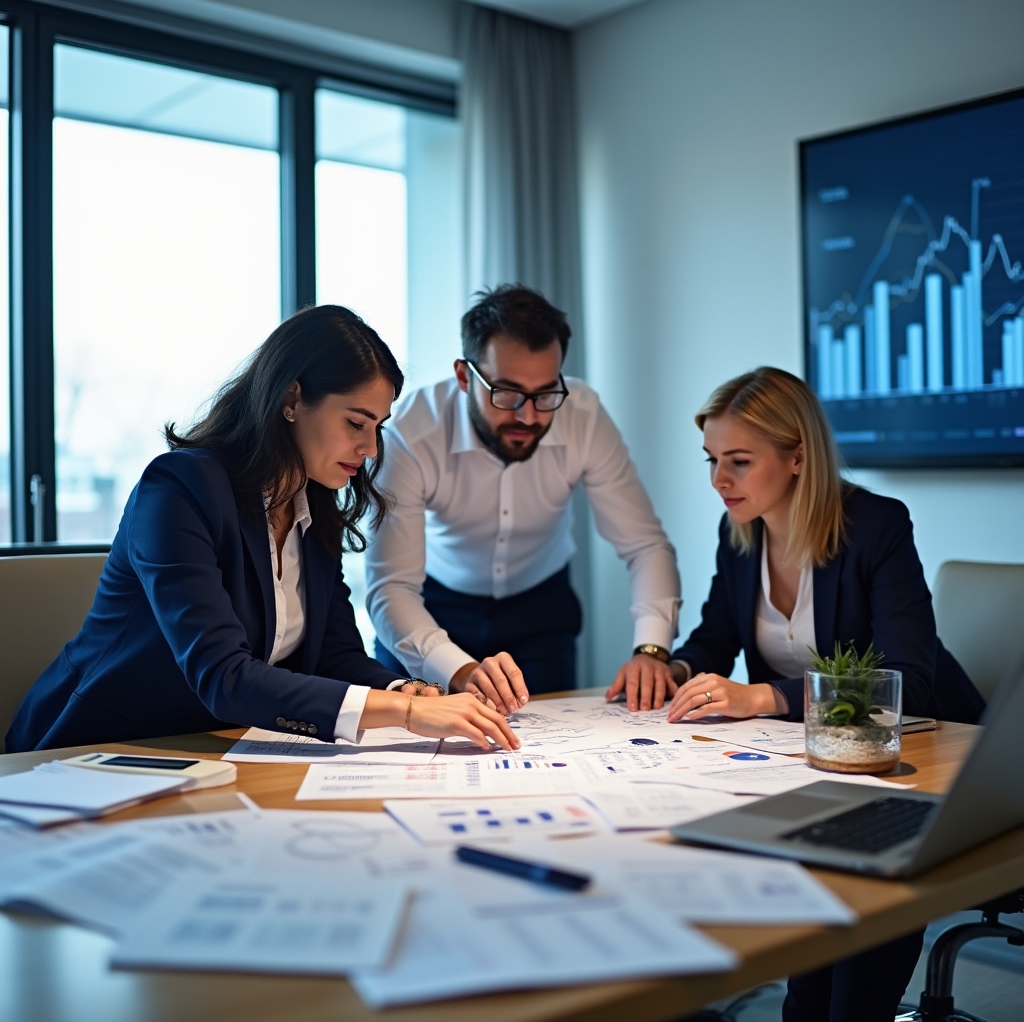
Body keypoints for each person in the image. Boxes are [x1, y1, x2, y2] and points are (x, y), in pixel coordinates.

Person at [606, 365, 983, 1022]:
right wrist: (667, 667)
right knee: (807, 995)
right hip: (812, 768)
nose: (719, 480)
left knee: (847, 996)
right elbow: (714, 641)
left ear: (798, 457)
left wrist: (763, 699)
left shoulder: (877, 527)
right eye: (713, 460)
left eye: (739, 462)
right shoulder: (740, 533)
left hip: (918, 767)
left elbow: (907, 685)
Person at [6, 305, 518, 755]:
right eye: (356, 423)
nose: (371, 449)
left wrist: (409, 692)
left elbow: (335, 654)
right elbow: (222, 676)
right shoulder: (179, 489)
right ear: (291, 398)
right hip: (97, 752)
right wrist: (403, 715)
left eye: (378, 427)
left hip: (216, 751)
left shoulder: (313, 504)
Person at [365, 283, 681, 715]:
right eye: (507, 393)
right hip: (431, 606)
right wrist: (457, 669)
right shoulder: (411, 432)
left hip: (540, 610)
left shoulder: (583, 416)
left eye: (545, 394)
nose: (528, 416)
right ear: (464, 376)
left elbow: (645, 545)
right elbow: (391, 587)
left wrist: (653, 649)